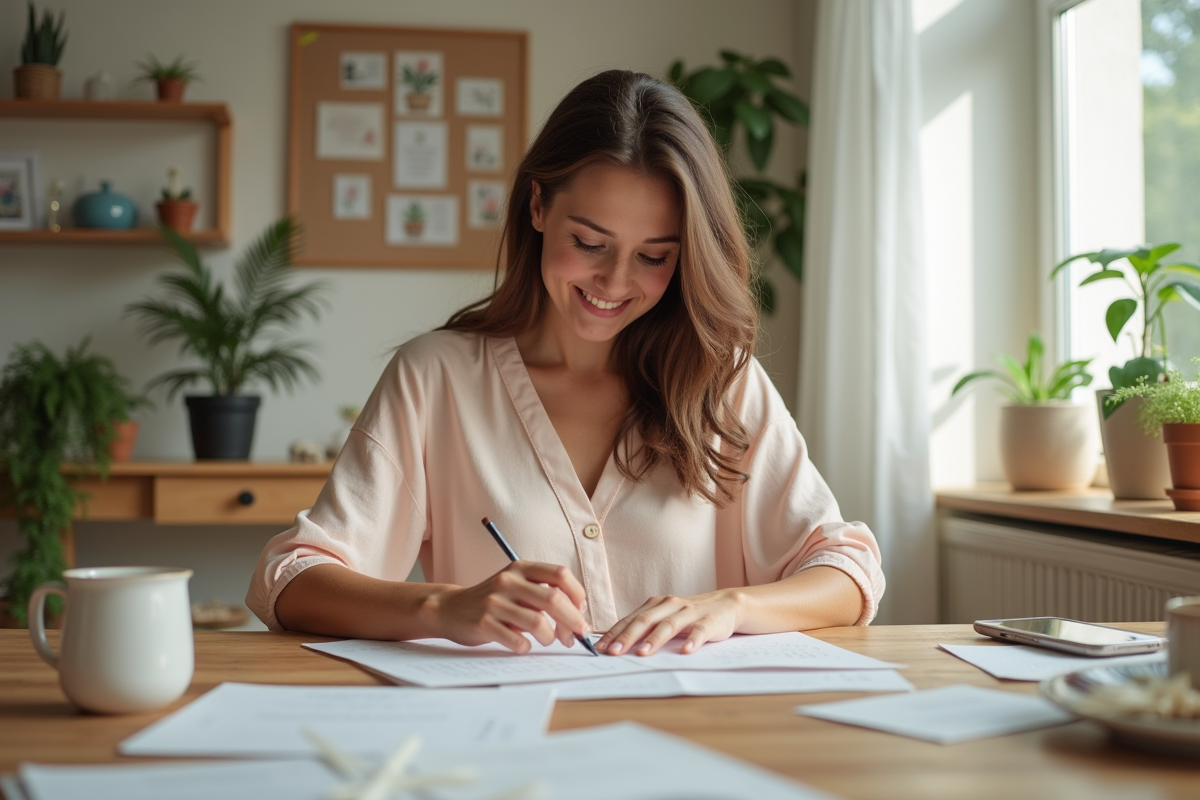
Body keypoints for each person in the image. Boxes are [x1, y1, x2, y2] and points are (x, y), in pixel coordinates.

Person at [247, 70, 884, 657]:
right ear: (537, 207)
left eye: (654, 256)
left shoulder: (721, 379)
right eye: (589, 242)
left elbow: (849, 574)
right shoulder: (435, 379)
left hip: (692, 739)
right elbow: (291, 580)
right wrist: (444, 606)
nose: (614, 281)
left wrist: (730, 605)